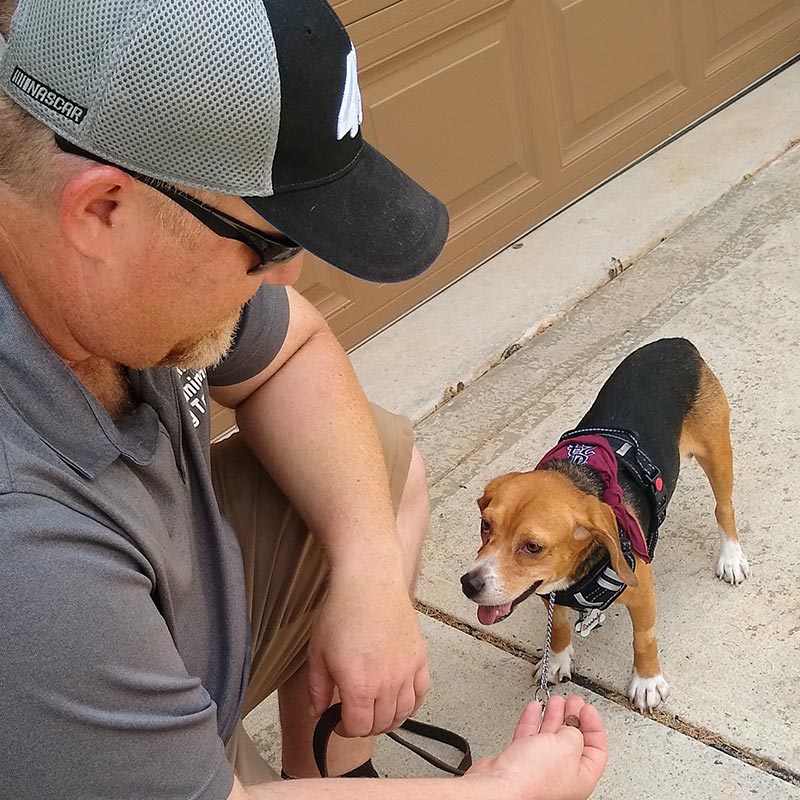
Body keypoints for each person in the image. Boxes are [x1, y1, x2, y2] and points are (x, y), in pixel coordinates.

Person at [0, 1, 608, 798]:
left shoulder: (98, 248)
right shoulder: (30, 557)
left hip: (157, 613)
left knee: (382, 466)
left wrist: (366, 571)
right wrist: (498, 792)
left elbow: (298, 347)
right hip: (80, 682)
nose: (287, 278)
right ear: (101, 211)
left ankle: (326, 766)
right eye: (269, 243)